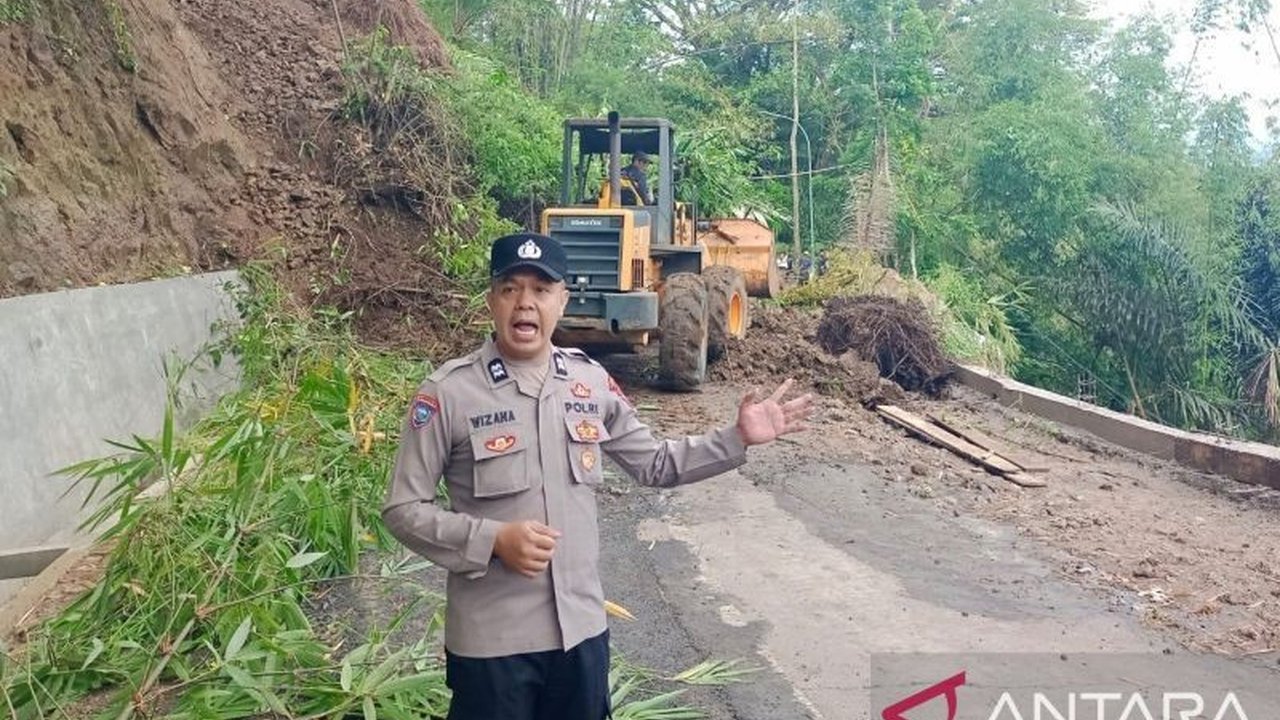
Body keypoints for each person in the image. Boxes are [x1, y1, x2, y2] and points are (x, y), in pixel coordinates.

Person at [382, 232, 814, 720]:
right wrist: (492, 539)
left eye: (541, 290)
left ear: (562, 300)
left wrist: (735, 437)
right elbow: (403, 509)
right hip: (492, 645)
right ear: (492, 301)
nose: (525, 302)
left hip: (582, 637)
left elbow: (655, 463)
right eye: (510, 288)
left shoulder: (588, 382)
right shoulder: (449, 393)